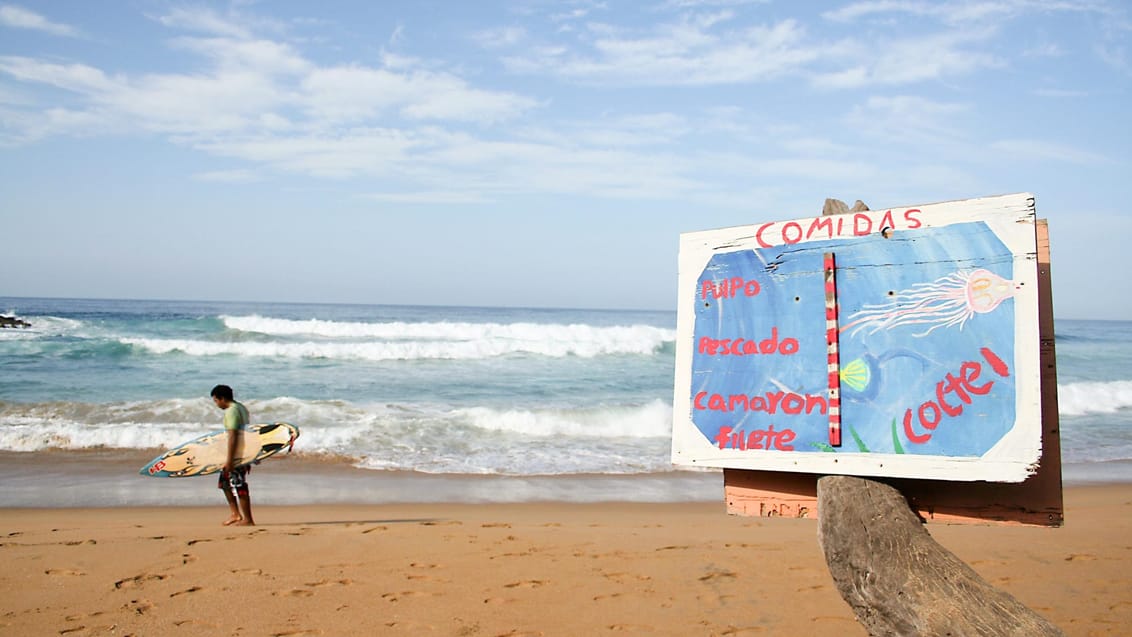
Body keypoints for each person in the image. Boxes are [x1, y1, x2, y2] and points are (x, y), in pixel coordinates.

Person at [211, 384, 255, 526]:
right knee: (224, 483)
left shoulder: (231, 411)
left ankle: (247, 519)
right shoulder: (240, 407)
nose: (216, 404)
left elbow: (233, 436)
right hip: (244, 452)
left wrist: (230, 460)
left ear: (222, 398)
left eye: (216, 401)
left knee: (239, 484)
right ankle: (235, 514)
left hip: (237, 455)